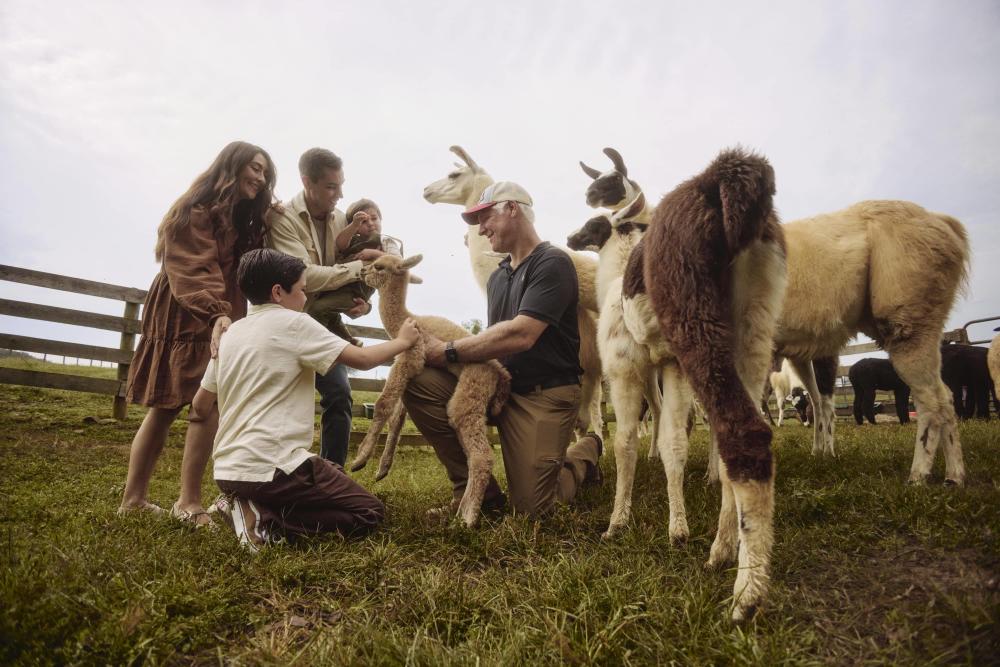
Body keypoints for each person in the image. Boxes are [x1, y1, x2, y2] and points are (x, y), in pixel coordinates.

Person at [195, 248, 420, 551]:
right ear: (278, 292)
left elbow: (200, 404)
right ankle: (265, 520)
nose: (305, 298)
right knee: (369, 512)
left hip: (226, 470)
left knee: (332, 474)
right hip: (275, 467)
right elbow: (363, 359)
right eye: (302, 290)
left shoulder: (231, 333)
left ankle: (237, 502)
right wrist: (402, 341)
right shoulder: (296, 323)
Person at [403, 181, 602, 519]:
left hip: (545, 394)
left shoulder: (552, 263)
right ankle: (479, 493)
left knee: (533, 509)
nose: (481, 229)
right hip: (502, 387)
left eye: (485, 217)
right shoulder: (498, 278)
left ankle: (585, 452)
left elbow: (522, 335)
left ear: (512, 209)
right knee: (419, 382)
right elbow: (494, 341)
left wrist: (449, 350)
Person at [119, 141, 276, 524]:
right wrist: (217, 313)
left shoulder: (242, 219)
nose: (260, 177)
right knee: (166, 407)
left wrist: (269, 219)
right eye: (254, 168)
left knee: (207, 406)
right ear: (232, 166)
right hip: (186, 311)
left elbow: (246, 266)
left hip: (218, 315)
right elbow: (194, 268)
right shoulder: (195, 211)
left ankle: (188, 500)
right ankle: (134, 499)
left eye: (265, 172)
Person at [267, 148, 382, 466]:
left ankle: (333, 474)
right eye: (332, 186)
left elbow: (357, 270)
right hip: (286, 324)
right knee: (283, 400)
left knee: (339, 394)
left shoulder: (342, 221)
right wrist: (358, 268)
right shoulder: (282, 218)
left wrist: (363, 304)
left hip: (322, 327)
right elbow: (303, 275)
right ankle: (275, 471)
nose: (340, 193)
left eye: (341, 185)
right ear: (307, 182)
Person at [307, 198, 403, 345]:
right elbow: (340, 244)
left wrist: (374, 254)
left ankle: (320, 345)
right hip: (340, 284)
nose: (370, 223)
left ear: (381, 219)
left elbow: (398, 262)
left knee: (318, 308)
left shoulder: (385, 241)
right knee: (328, 309)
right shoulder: (352, 239)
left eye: (374, 218)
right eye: (363, 222)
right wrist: (353, 226)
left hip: (357, 291)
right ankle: (348, 340)